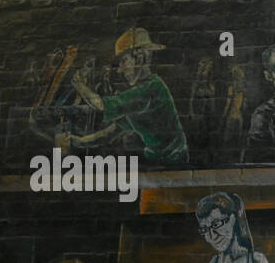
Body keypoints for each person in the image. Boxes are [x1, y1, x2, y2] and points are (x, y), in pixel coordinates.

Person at [68, 27, 188, 166]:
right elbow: (111, 132)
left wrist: (80, 85)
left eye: (124, 60)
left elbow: (101, 106)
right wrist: (78, 141)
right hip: (154, 158)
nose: (119, 69)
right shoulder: (139, 95)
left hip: (173, 161)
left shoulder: (150, 89)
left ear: (141, 58)